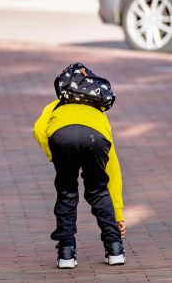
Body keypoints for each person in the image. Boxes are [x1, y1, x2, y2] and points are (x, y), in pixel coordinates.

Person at [32, 63, 125, 269]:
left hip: (61, 137)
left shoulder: (56, 105)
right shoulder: (99, 113)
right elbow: (113, 167)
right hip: (95, 138)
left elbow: (38, 130)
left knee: (67, 192)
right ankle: (114, 248)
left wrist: (53, 155)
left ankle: (66, 252)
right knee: (98, 190)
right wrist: (118, 213)